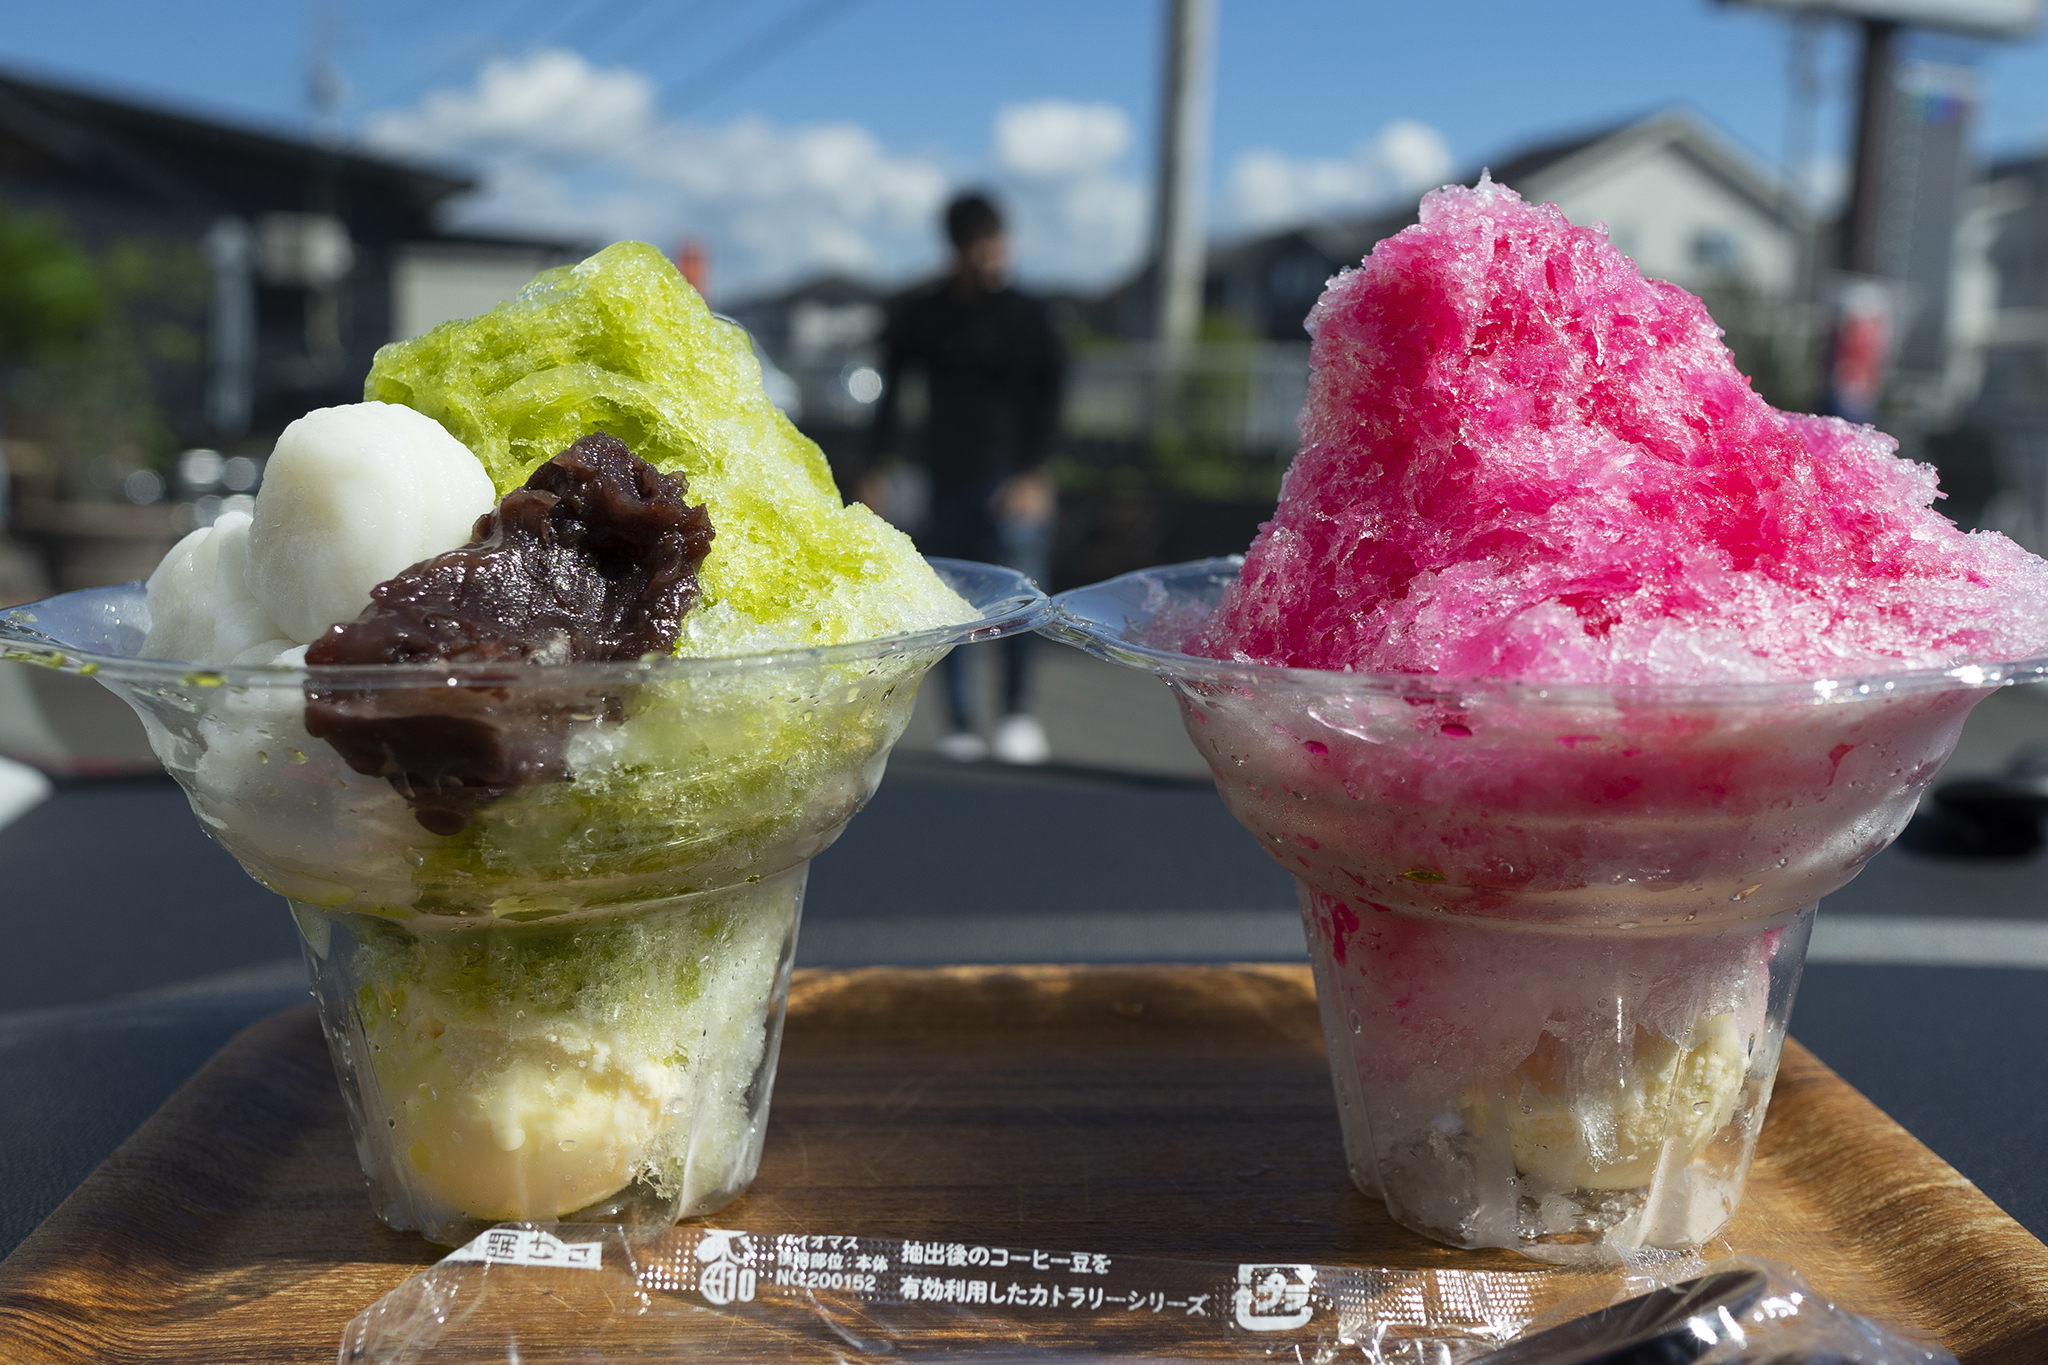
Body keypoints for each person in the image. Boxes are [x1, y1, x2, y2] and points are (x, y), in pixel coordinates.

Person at [866, 192, 1064, 764]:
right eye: (983, 243)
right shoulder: (923, 315)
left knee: (1023, 600)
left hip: (1012, 478)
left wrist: (1036, 473)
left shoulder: (1028, 314)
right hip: (943, 477)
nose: (995, 254)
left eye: (1000, 240)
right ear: (956, 248)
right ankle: (959, 724)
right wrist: (878, 466)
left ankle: (1018, 714)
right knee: (949, 605)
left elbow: (1053, 397)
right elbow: (891, 394)